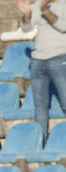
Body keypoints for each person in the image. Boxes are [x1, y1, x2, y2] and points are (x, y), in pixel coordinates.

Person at [18, 0, 66, 141]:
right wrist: (27, 14)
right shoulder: (38, 4)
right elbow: (26, 28)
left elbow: (63, 26)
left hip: (59, 58)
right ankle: (40, 142)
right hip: (38, 61)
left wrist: (45, 10)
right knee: (40, 106)